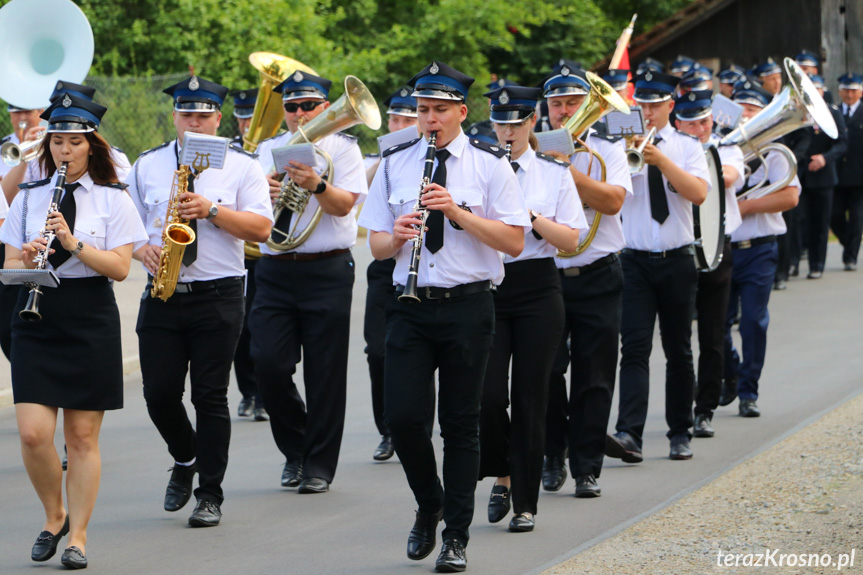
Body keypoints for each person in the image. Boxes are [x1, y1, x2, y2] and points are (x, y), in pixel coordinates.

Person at [357, 60, 528, 572]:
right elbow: (377, 247)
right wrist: (400, 235)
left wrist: (457, 213)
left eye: (438, 111)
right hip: (409, 306)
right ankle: (428, 502)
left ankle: (456, 534)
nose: (428, 120)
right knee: (404, 419)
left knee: (461, 424)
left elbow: (515, 243)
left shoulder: (489, 163)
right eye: (421, 110)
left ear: (461, 111)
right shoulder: (395, 162)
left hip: (468, 306)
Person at [0, 92, 148, 569]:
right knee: (33, 435)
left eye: (74, 142)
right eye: (57, 140)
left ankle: (77, 536)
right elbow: (5, 264)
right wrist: (25, 259)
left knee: (82, 438)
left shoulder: (113, 199)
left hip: (89, 316)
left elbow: (122, 269)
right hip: (37, 313)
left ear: (91, 146)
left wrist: (72, 242)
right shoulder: (28, 197)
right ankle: (54, 514)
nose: (64, 149)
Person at [129, 75, 273, 527]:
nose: (196, 121)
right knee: (159, 395)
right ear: (175, 116)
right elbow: (125, 225)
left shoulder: (242, 165)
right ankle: (185, 456)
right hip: (163, 292)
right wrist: (140, 249)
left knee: (210, 396)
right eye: (187, 113)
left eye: (204, 114)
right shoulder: (147, 164)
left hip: (219, 293)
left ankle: (210, 494)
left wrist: (211, 210)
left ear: (218, 118)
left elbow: (262, 230)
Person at [250, 71, 367, 495]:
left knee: (325, 372)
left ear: (325, 107)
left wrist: (315, 183)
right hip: (276, 270)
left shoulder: (343, 148)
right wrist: (264, 189)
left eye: (308, 106)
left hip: (327, 269)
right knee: (268, 365)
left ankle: (318, 464)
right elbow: (249, 214)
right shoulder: (264, 151)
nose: (299, 114)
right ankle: (295, 449)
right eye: (292, 107)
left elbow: (342, 208)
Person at [478, 84, 586, 532]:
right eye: (500, 122)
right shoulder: (479, 168)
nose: (507, 131)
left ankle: (525, 501)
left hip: (539, 287)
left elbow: (571, 240)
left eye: (516, 122)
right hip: (489, 283)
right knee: (486, 396)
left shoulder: (552, 172)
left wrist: (529, 216)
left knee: (530, 394)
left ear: (531, 122)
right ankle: (502, 471)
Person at [538, 63, 632, 497]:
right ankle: (551, 456)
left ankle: (587, 468)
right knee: (547, 374)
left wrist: (566, 168)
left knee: (595, 376)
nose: (563, 111)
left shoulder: (607, 149)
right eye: (556, 103)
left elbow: (612, 202)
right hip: (547, 276)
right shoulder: (528, 148)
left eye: (573, 102)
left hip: (597, 273)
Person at [608, 69, 710, 462]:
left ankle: (679, 431)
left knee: (678, 348)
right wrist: (627, 150)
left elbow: (698, 193)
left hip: (677, 259)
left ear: (670, 105)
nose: (648, 111)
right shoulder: (619, 141)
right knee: (633, 347)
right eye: (643, 104)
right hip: (634, 261)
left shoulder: (686, 145)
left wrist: (661, 159)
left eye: (655, 104)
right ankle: (629, 433)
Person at [720, 80, 800, 416]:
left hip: (759, 248)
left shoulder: (773, 149)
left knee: (753, 321)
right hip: (722, 248)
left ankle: (748, 390)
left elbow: (790, 196)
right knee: (716, 325)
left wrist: (746, 206)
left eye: (752, 111)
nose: (745, 117)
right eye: (741, 110)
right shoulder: (719, 148)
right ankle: (732, 373)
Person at [673, 90, 745, 438]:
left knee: (713, 334)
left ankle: (705, 409)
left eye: (705, 121)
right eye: (692, 122)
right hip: (682, 251)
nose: (701, 128)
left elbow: (729, 176)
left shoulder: (725, 146)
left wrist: (699, 158)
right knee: (680, 339)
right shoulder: (670, 149)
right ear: (678, 122)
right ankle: (683, 409)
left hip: (718, 248)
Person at [364, 86, 419, 461]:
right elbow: (359, 191)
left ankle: (418, 425)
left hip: (425, 264)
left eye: (406, 119)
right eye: (395, 119)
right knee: (378, 351)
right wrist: (385, 158)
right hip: (386, 264)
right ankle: (388, 429)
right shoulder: (383, 158)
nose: (399, 124)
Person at [227, 87, 267, 421]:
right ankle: (248, 392)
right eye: (240, 118)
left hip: (268, 252)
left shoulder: (274, 150)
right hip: (240, 255)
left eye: (251, 118)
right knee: (242, 326)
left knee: (264, 327)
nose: (245, 125)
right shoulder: (229, 155)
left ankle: (265, 392)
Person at [793, 75, 847, 279]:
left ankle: (817, 264)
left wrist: (825, 158)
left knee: (820, 222)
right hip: (801, 174)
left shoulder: (832, 113)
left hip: (823, 176)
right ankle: (793, 263)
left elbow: (842, 142)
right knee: (797, 221)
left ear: (822, 91)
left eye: (816, 90)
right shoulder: (798, 113)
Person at [831, 73, 863, 271]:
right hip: (837, 173)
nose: (850, 95)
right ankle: (848, 242)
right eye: (846, 90)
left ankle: (850, 256)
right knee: (834, 215)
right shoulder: (833, 113)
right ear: (840, 92)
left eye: (854, 90)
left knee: (857, 217)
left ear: (861, 91)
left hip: (860, 175)